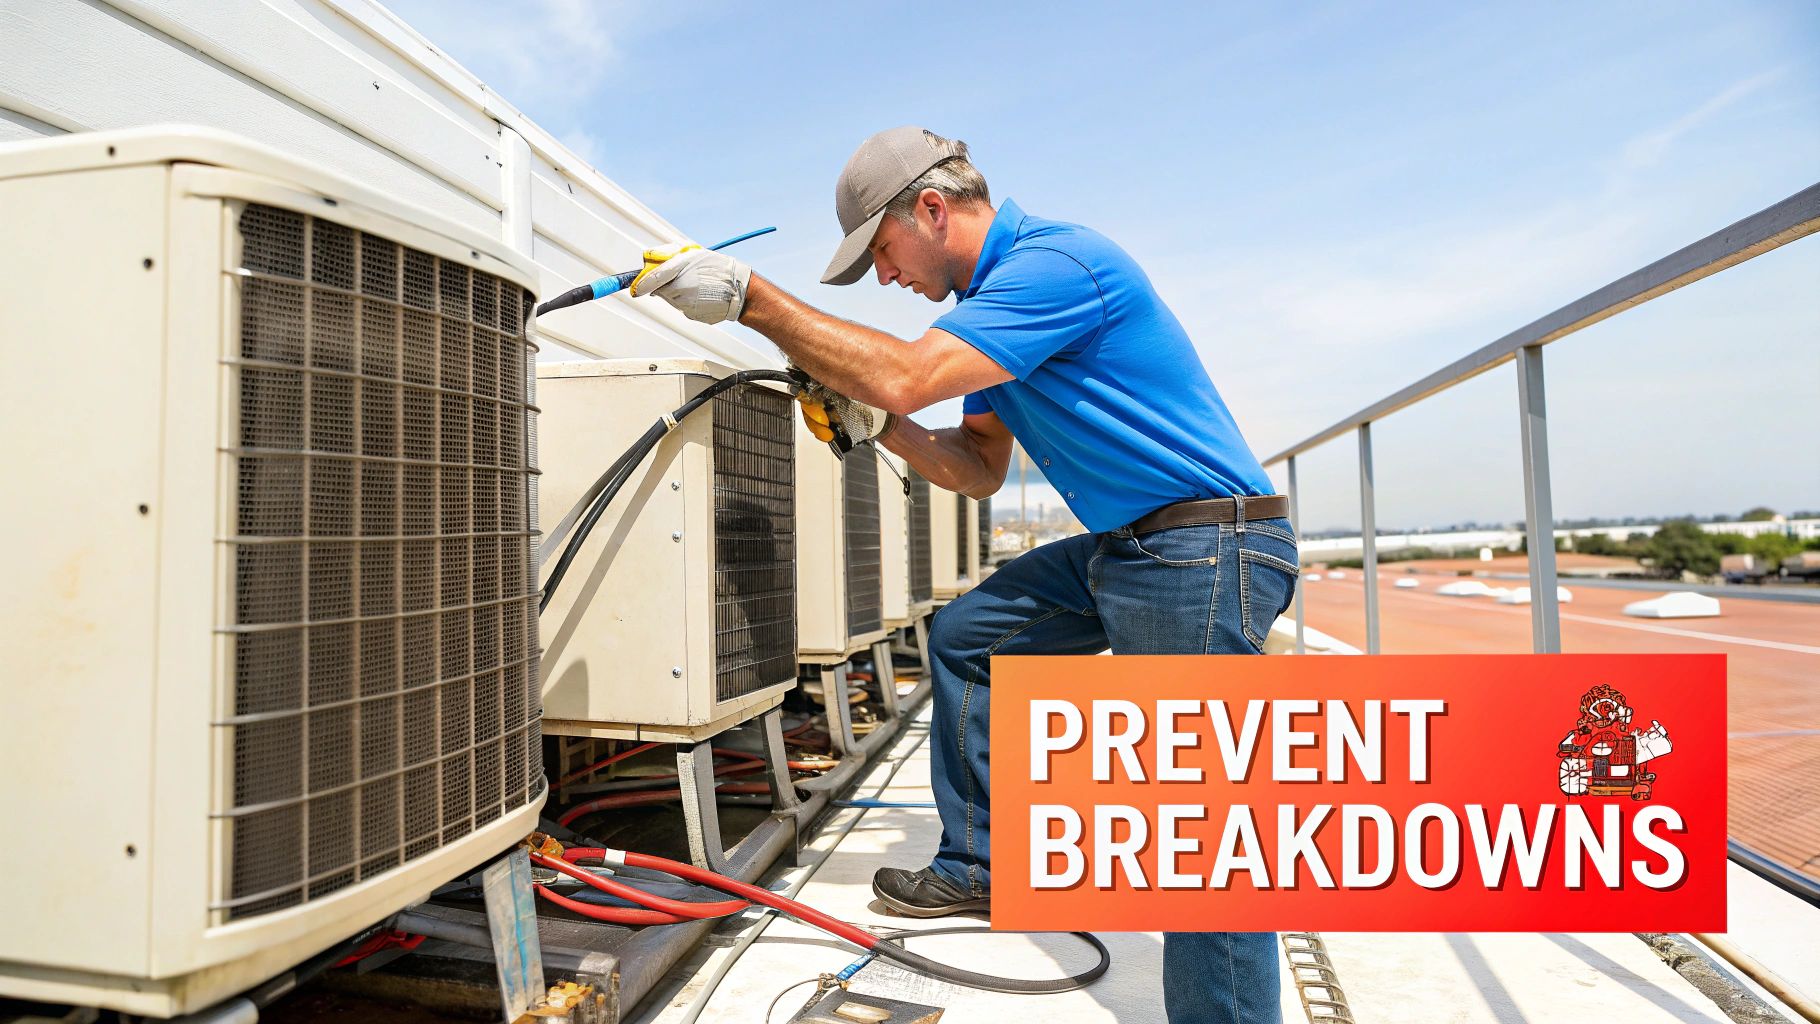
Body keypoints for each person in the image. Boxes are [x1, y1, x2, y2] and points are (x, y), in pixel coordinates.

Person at [632, 126, 1295, 1024]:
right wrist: (878, 429)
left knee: (1203, 825)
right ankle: (981, 862)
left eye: (882, 252)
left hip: (1203, 549)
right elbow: (977, 467)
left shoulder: (1057, 265)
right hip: (1130, 550)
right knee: (971, 635)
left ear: (932, 210)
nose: (885, 277)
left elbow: (907, 374)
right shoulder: (994, 311)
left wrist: (753, 299)